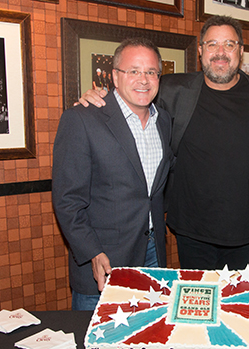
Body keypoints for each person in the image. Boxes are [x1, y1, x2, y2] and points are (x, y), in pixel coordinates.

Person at [79, 16, 249, 271]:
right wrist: (98, 96)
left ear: (241, 51)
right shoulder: (173, 89)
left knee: (235, 307)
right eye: (212, 44)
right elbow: (131, 94)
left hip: (244, 234)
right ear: (201, 51)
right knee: (195, 308)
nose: (220, 53)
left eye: (229, 44)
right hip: (191, 233)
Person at [52, 38, 174, 311]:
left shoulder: (163, 121)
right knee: (98, 346)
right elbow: (67, 200)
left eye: (151, 72)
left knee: (147, 338)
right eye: (133, 71)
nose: (143, 80)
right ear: (115, 77)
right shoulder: (82, 119)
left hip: (153, 252)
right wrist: (92, 252)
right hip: (103, 259)